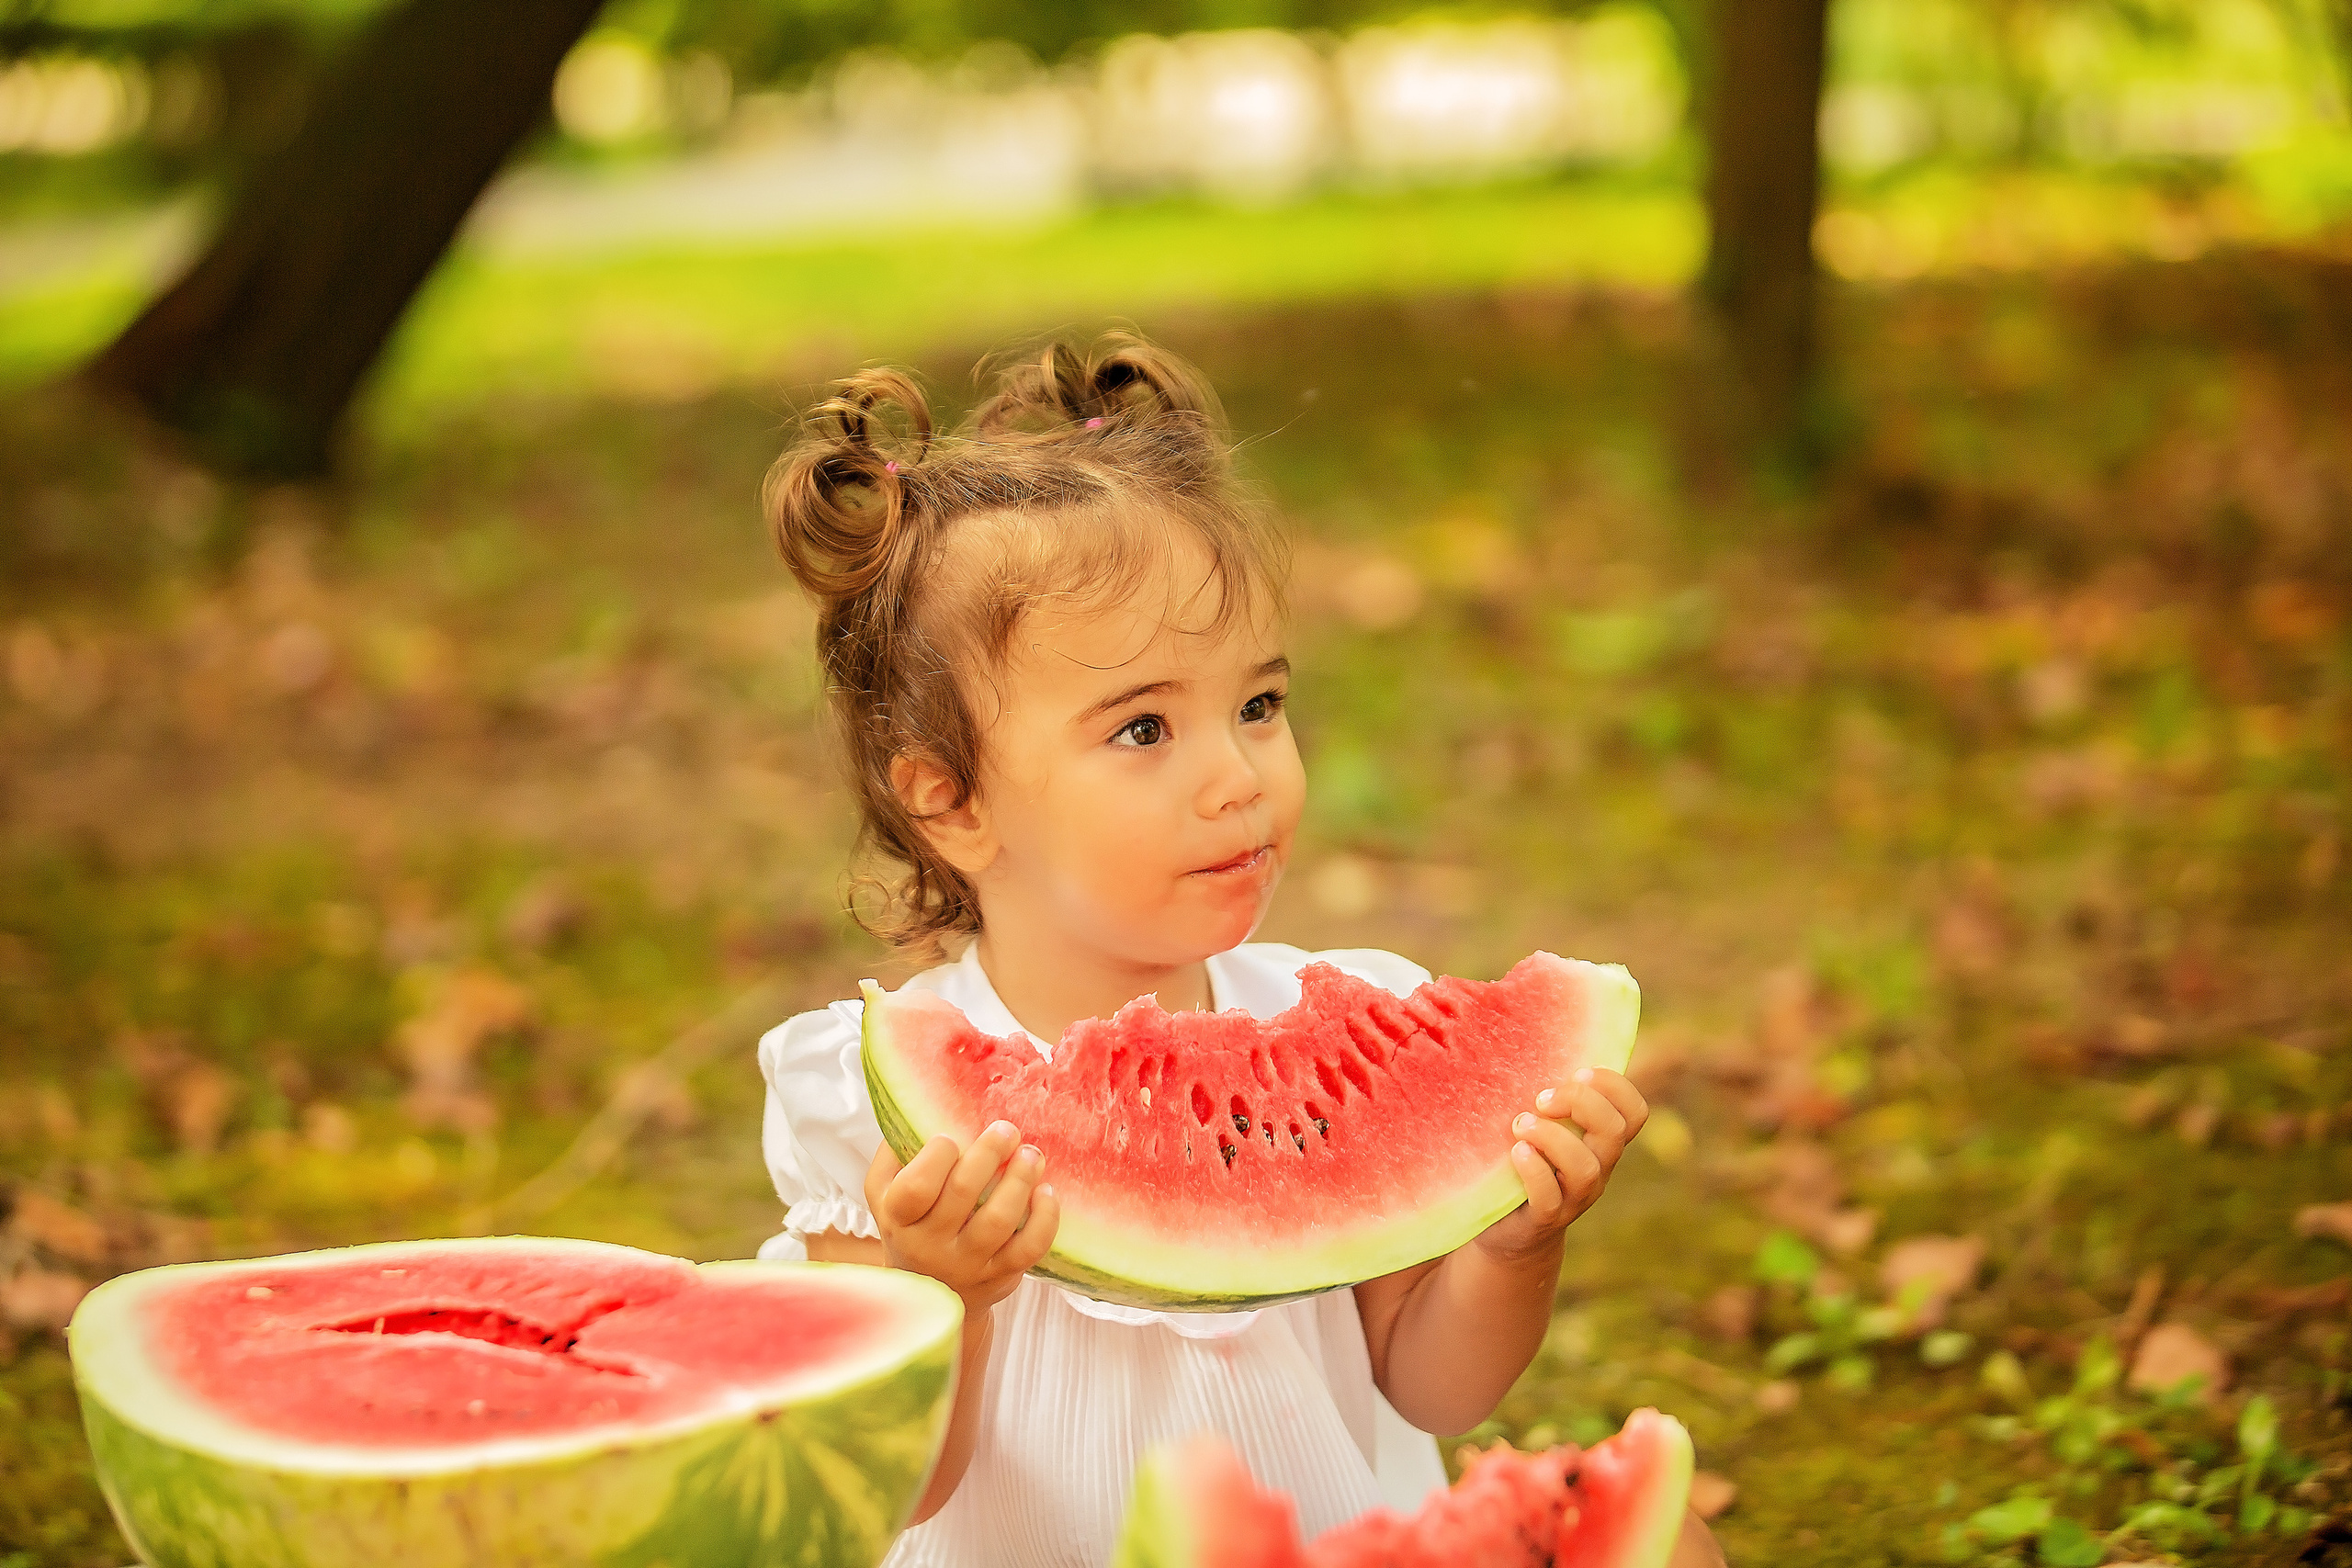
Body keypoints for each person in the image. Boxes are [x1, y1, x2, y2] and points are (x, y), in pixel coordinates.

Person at [754, 333, 1724, 1567]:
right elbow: (886, 1491)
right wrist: (946, 1292)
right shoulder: (864, 1103)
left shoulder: (1363, 1021)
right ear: (952, 803)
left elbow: (1430, 1390)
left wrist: (1512, 1243)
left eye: (1259, 707)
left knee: (1671, 1543)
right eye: (1146, 728)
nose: (1239, 778)